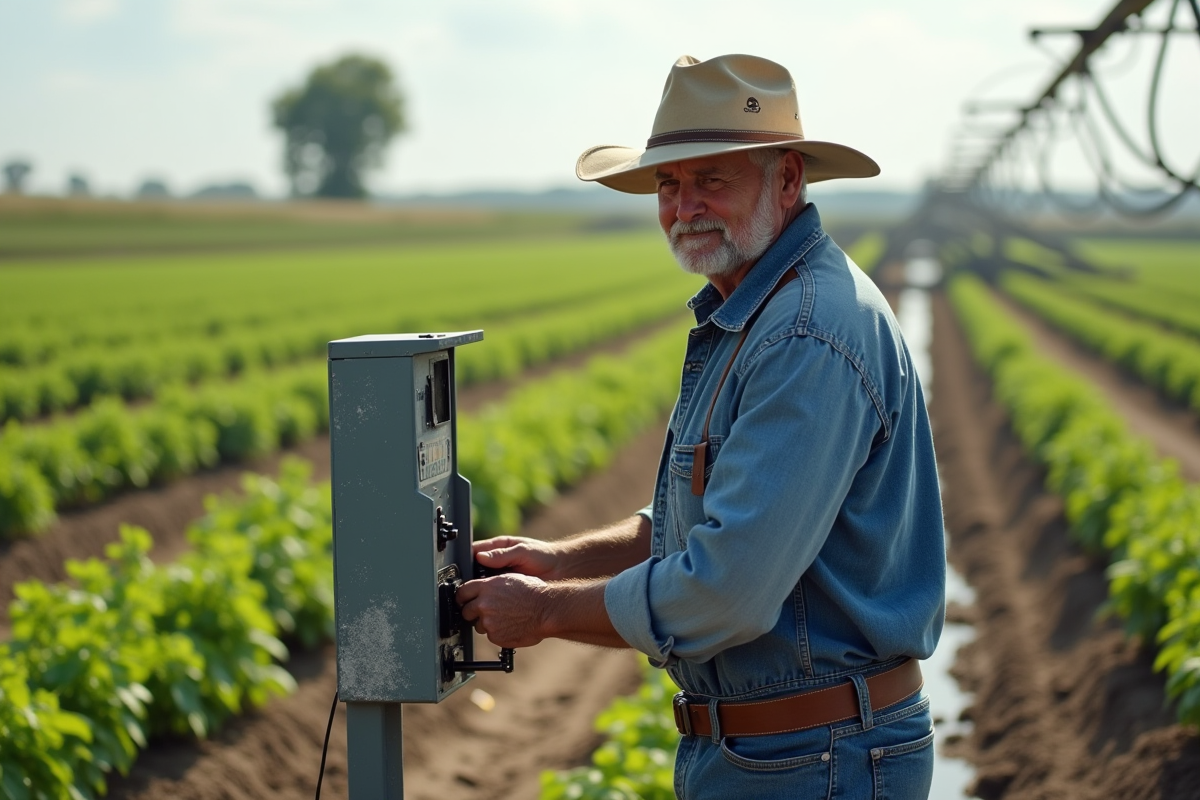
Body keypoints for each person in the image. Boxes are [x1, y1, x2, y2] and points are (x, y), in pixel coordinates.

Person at [457, 53, 945, 799]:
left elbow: (727, 589)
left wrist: (547, 611)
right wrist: (561, 560)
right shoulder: (760, 311)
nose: (684, 206)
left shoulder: (802, 336)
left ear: (786, 180)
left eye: (712, 179)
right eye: (668, 183)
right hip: (788, 749)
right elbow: (711, 519)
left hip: (817, 759)